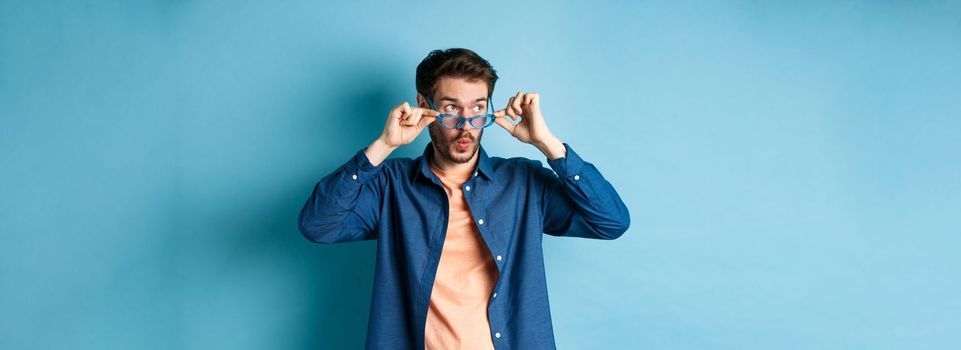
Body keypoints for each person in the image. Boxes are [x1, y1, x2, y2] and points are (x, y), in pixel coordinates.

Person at [298, 48, 630, 350]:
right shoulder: (392, 184)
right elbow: (318, 225)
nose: (466, 126)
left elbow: (611, 221)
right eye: (451, 109)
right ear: (424, 106)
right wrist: (382, 147)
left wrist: (548, 145)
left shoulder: (523, 182)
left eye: (478, 109)